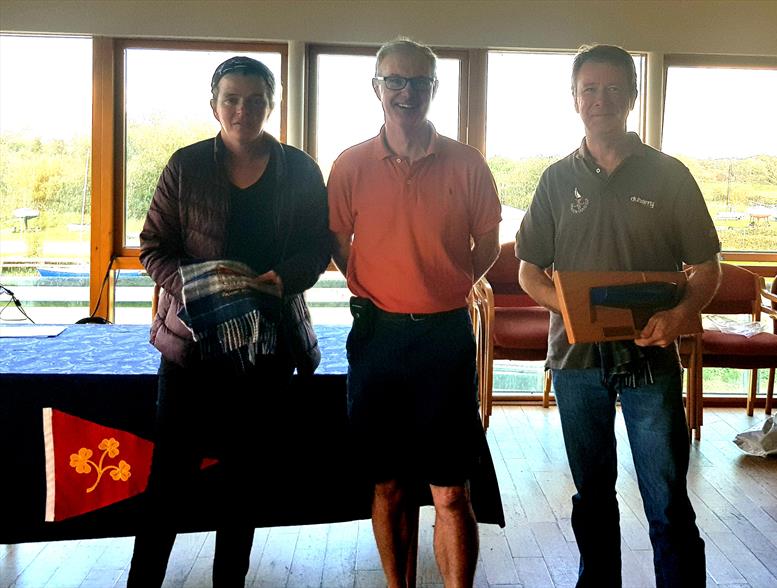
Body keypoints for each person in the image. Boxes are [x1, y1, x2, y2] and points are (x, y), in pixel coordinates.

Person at [516, 44, 720, 587]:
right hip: (576, 360)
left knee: (667, 497)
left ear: (631, 96)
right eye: (589, 89)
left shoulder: (669, 175)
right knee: (592, 494)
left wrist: (679, 317)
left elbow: (706, 269)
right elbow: (528, 272)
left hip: (651, 358)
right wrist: (577, 308)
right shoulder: (556, 181)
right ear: (574, 99)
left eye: (612, 89)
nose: (600, 99)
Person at [128, 56, 329, 587]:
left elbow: (316, 249)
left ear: (271, 103)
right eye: (232, 99)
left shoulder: (301, 169)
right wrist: (202, 289)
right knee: (168, 481)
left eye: (256, 99)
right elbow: (153, 248)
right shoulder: (186, 165)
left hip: (267, 349)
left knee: (242, 484)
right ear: (214, 104)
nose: (244, 109)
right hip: (191, 346)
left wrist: (281, 278)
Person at [327, 38, 501, 588]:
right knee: (389, 485)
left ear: (434, 89)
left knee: (452, 490)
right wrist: (377, 281)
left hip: (446, 337)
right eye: (395, 80)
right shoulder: (350, 164)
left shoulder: (467, 163)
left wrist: (447, 281)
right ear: (376, 87)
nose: (407, 91)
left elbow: (489, 243)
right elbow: (336, 241)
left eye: (419, 81)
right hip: (376, 336)